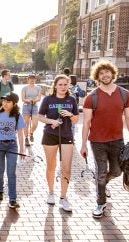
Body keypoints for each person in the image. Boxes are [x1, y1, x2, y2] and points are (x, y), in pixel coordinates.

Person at [80, 61, 129, 218]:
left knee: (117, 171)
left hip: (117, 140)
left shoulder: (124, 94)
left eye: (107, 72)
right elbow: (86, 123)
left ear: (113, 73)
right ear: (97, 76)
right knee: (101, 172)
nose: (105, 75)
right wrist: (83, 144)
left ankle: (103, 185)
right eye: (101, 73)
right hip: (97, 141)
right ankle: (100, 203)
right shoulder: (91, 97)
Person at [38, 75, 79, 212]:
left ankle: (63, 197)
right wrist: (52, 121)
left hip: (66, 135)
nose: (63, 87)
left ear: (68, 86)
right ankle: (51, 192)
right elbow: (40, 117)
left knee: (66, 167)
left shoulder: (72, 100)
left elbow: (76, 120)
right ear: (55, 86)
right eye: (60, 84)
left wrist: (70, 114)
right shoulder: (48, 99)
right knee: (51, 165)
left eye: (65, 84)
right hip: (50, 135)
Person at [0, 92, 26, 209]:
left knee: (11, 172)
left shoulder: (18, 115)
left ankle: (12, 199)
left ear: (14, 103)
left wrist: (22, 149)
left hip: (12, 146)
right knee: (0, 170)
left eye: (8, 101)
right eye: (3, 101)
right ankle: (0, 191)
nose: (5, 103)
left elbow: (20, 133)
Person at [21, 73, 42, 146]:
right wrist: (29, 100)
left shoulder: (38, 88)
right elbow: (23, 99)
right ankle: (26, 138)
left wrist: (35, 100)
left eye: (33, 79)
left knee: (35, 124)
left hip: (35, 106)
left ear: (35, 80)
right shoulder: (24, 88)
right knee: (26, 124)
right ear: (28, 80)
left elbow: (39, 98)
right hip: (26, 106)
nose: (32, 80)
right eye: (30, 79)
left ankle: (31, 132)